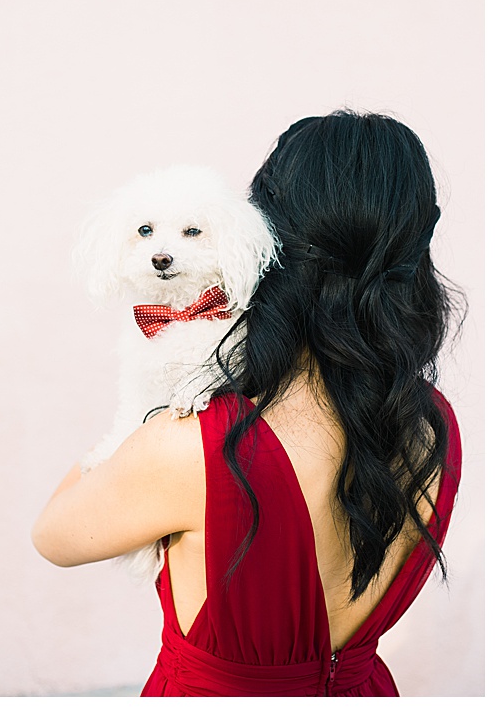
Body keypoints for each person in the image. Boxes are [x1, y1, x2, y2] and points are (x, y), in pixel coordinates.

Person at [32, 111, 463, 696]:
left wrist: (138, 413)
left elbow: (54, 536)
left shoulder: (192, 444)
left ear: (266, 238)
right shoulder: (431, 424)